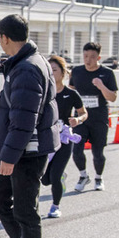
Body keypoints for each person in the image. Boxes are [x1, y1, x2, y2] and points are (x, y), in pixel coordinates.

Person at [0, 15, 58, 238]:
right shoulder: (23, 63)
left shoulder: (27, 68)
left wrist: (9, 156)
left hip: (26, 151)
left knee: (26, 210)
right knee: (0, 201)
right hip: (17, 148)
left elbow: (25, 118)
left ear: (5, 37)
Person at [69, 41, 118, 191]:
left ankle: (98, 177)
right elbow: (70, 92)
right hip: (81, 117)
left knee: (98, 152)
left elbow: (112, 97)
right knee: (76, 149)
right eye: (85, 56)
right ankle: (83, 176)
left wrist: (101, 86)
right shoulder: (76, 72)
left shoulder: (107, 73)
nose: (88, 60)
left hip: (99, 118)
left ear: (99, 57)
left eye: (92, 56)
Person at [43, 55, 85, 219]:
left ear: (63, 72)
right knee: (44, 179)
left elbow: (83, 113)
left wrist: (78, 119)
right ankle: (60, 177)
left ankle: (55, 206)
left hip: (64, 138)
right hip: (46, 137)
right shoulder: (44, 93)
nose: (52, 73)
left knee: (55, 175)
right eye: (49, 70)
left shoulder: (71, 94)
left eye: (55, 70)